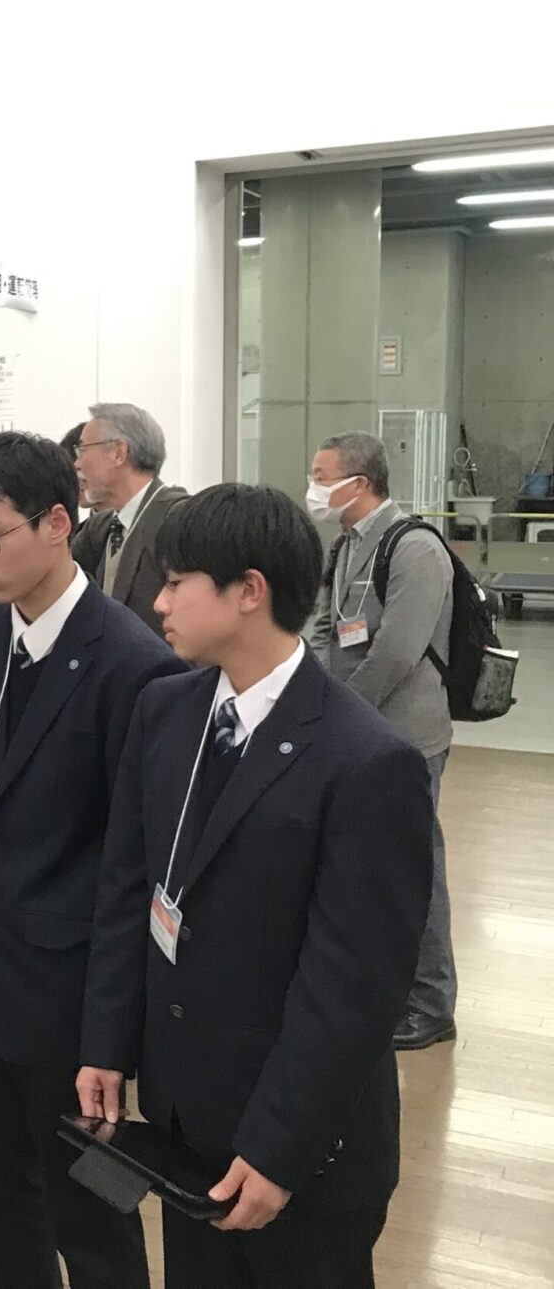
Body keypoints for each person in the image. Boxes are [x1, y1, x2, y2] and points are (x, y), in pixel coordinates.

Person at [80, 484, 433, 1288]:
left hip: (302, 1145)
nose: (158, 602)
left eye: (177, 583)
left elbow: (354, 989)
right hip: (186, 1119)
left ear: (249, 591)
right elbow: (127, 891)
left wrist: (278, 1148)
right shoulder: (165, 712)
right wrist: (106, 1043)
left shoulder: (365, 761)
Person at [0, 431, 180, 1289]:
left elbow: (131, 871)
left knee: (94, 1219)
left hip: (69, 1000)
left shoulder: (134, 666)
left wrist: (111, 1036)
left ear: (56, 524)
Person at [306, 431, 458, 1051]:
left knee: (416, 866)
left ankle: (432, 1003)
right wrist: (316, 695)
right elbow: (324, 626)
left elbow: (397, 650)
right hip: (356, 727)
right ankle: (387, 988)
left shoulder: (415, 547)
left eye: (322, 477)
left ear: (360, 483)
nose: (313, 488)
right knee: (367, 866)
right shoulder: (345, 545)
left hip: (405, 735)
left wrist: (343, 711)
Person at [72, 402, 187, 638]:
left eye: (82, 450)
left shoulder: (179, 519)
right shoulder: (102, 527)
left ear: (118, 453)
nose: (77, 464)